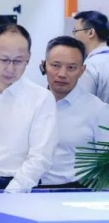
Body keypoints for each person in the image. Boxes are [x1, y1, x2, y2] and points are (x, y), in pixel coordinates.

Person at [0, 24, 57, 192]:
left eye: (19, 61)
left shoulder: (41, 98)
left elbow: (41, 156)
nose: (10, 68)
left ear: (29, 58)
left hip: (15, 188)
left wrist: (13, 191)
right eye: (4, 60)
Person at [39, 36, 109, 189]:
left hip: (75, 192)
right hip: (28, 191)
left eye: (71, 68)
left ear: (82, 71)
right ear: (44, 65)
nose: (62, 74)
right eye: (55, 65)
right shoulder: (32, 104)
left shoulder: (97, 110)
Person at [73, 11, 109, 103]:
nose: (74, 37)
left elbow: (82, 104)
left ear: (90, 33)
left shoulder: (91, 66)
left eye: (75, 31)